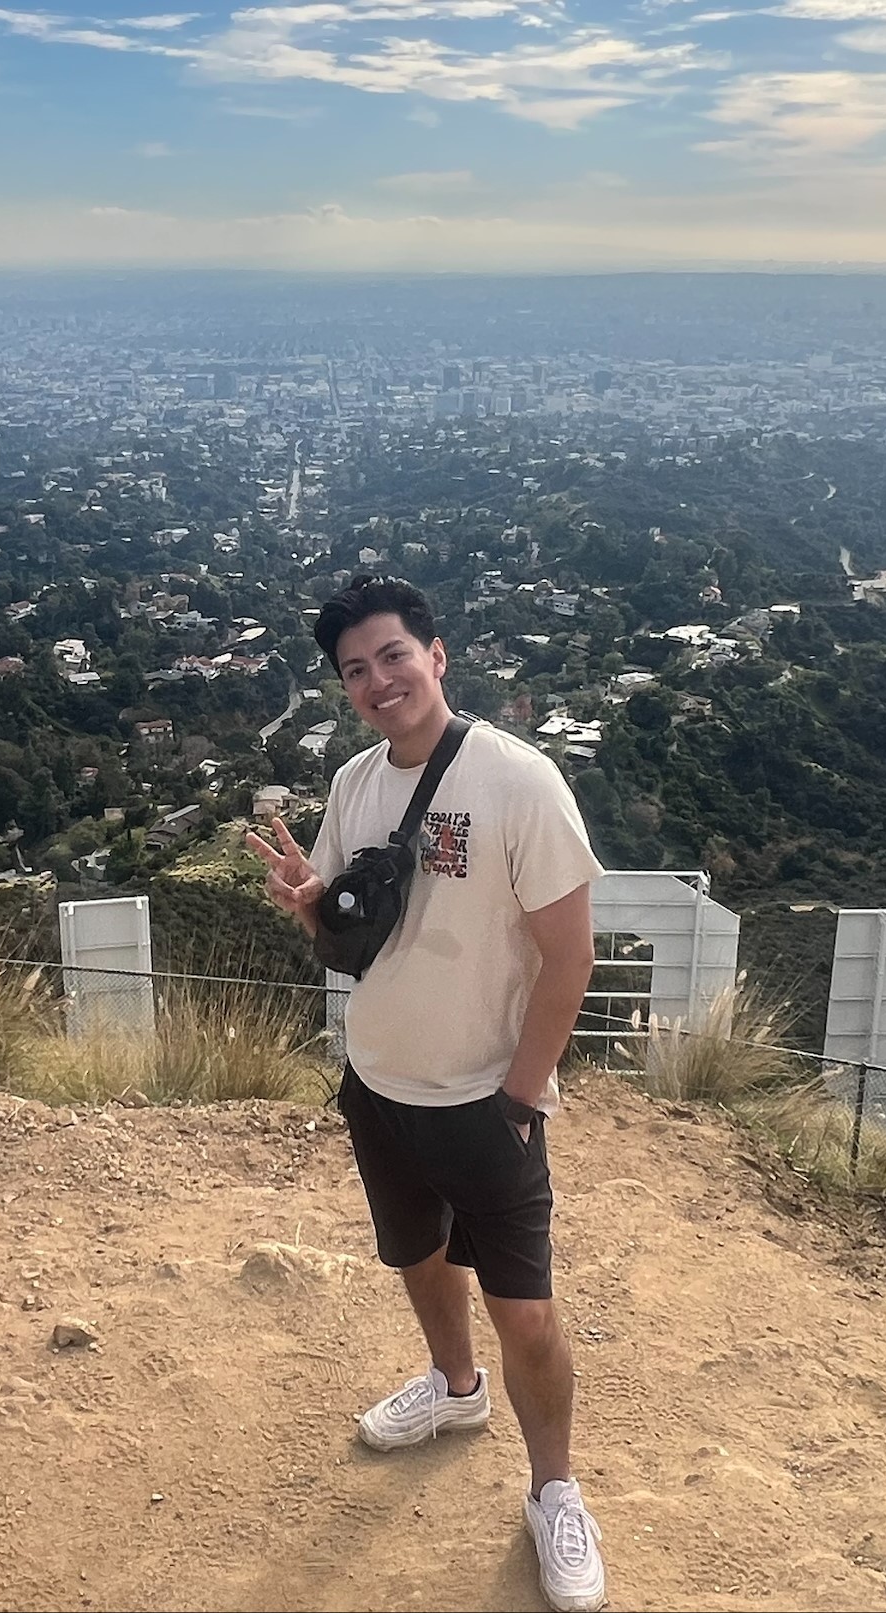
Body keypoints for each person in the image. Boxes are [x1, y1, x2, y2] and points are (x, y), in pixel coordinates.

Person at [245, 574, 608, 1612]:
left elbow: (567, 955)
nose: (376, 679)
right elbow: (344, 940)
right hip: (378, 1080)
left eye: (392, 655)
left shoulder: (518, 780)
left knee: (525, 1310)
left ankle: (554, 1489)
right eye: (354, 669)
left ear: (436, 655)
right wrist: (305, 907)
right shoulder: (357, 783)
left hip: (484, 1097)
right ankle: (454, 1391)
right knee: (414, 1255)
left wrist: (523, 1088)